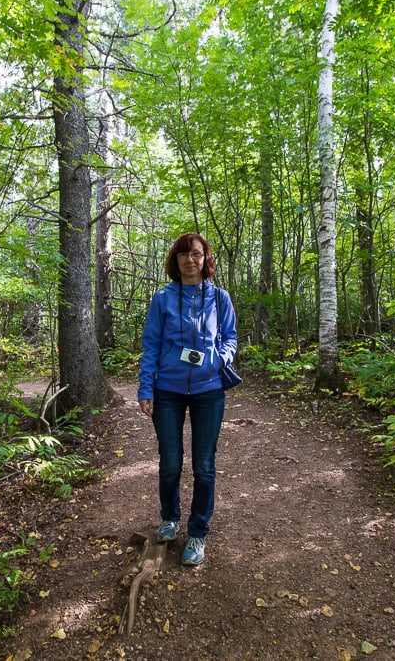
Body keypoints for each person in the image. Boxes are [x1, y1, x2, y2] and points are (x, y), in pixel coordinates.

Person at [137, 233, 238, 566]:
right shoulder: (162, 299)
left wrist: (218, 359)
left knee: (204, 466)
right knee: (170, 462)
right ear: (175, 259)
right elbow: (151, 345)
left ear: (205, 259)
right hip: (167, 389)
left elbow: (230, 339)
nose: (189, 260)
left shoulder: (220, 298)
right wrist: (145, 387)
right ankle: (170, 517)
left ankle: (197, 532)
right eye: (183, 254)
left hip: (209, 390)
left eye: (196, 254)